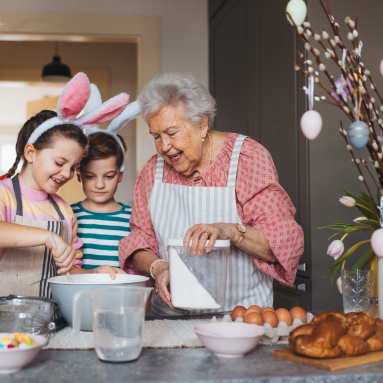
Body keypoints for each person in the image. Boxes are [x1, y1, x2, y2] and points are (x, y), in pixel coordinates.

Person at [119, 72, 304, 316]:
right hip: (170, 321)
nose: (164, 146)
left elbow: (280, 243)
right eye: (156, 136)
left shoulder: (247, 159)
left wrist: (230, 231)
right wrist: (158, 267)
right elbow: (139, 242)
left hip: (241, 318)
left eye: (172, 133)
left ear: (202, 124)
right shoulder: (153, 171)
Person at [0, 73, 131, 317]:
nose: (67, 173)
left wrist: (95, 273)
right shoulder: (1, 194)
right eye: (60, 162)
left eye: (73, 167)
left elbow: (69, 272)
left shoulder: (64, 211)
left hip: (49, 321)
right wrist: (46, 237)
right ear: (30, 153)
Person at [72, 132, 131, 274]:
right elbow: (65, 270)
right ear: (79, 176)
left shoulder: (133, 218)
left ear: (120, 176)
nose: (99, 184)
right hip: (81, 294)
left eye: (109, 176)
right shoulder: (69, 215)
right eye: (90, 176)